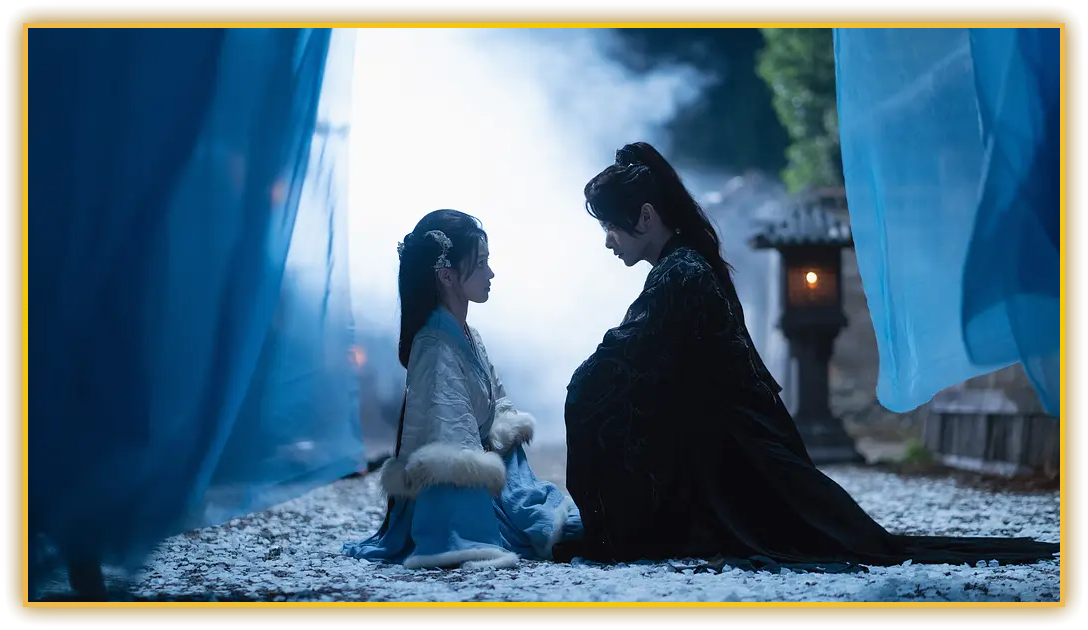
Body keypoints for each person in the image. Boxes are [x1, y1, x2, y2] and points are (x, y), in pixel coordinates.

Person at [559, 142, 1059, 571]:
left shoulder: (681, 272)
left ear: (646, 216)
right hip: (739, 439)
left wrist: (584, 390)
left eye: (611, 227)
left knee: (592, 396)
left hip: (736, 452)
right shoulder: (683, 263)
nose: (608, 241)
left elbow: (624, 360)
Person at [343, 209, 582, 569]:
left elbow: (499, 406)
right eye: (481, 263)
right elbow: (449, 442)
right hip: (456, 497)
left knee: (568, 522)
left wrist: (501, 450)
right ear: (446, 275)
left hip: (495, 477)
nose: (491, 273)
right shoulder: (435, 346)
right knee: (572, 533)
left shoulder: (469, 335)